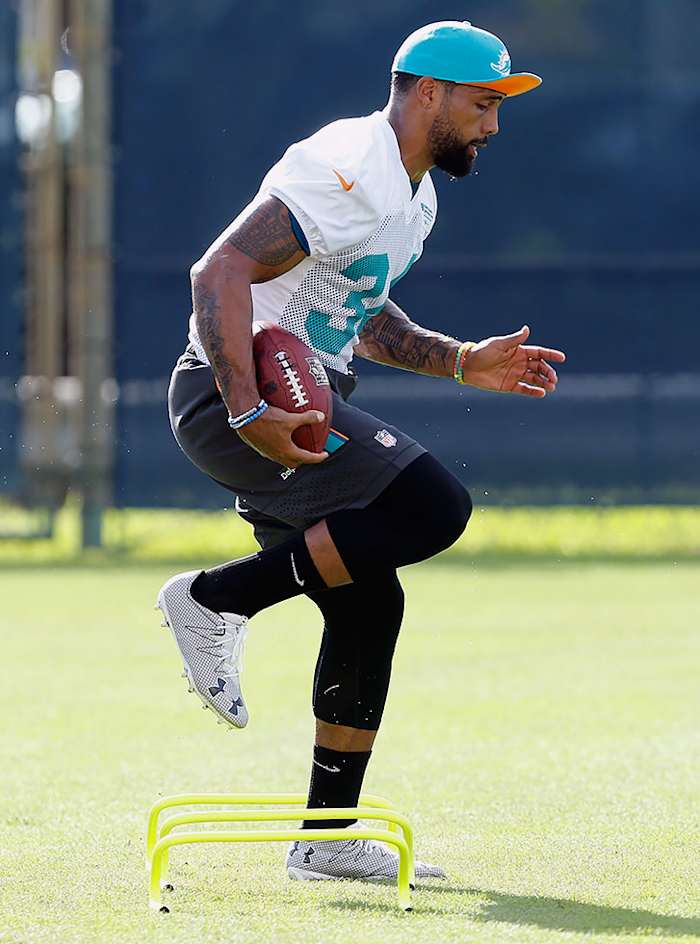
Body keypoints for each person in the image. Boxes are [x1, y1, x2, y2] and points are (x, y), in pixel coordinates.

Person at [158, 19, 565, 884]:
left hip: (296, 401)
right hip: (237, 399)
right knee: (431, 505)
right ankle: (213, 599)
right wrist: (245, 411)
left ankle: (326, 840)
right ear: (428, 92)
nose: (492, 125)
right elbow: (218, 273)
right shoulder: (352, 159)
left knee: (369, 605)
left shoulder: (414, 196)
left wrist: (458, 360)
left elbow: (359, 314)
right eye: (483, 103)